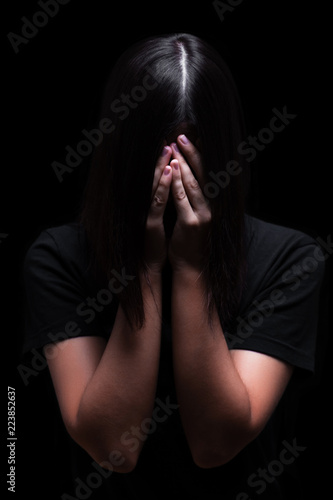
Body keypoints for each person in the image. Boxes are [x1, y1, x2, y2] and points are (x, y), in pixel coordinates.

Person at [22, 33, 325, 499]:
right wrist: (143, 267)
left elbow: (215, 444)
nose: (173, 175)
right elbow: (113, 449)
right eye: (158, 157)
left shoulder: (290, 259)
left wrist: (191, 269)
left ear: (221, 155)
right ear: (121, 155)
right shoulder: (57, 258)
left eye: (188, 156)